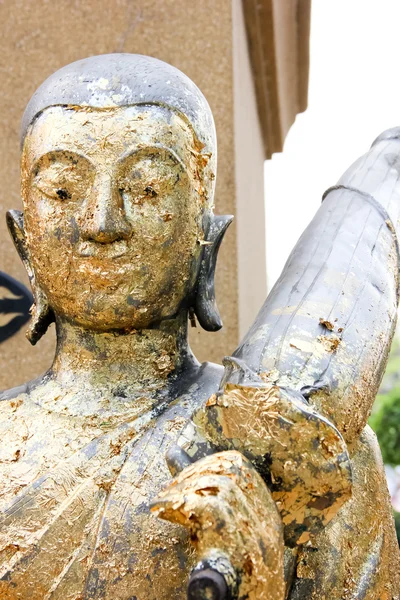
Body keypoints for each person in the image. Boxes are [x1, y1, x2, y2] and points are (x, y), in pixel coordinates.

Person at [0, 54, 398, 600]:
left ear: (205, 240)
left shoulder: (308, 449)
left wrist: (266, 570)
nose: (101, 224)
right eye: (64, 191)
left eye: (146, 189)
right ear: (26, 242)